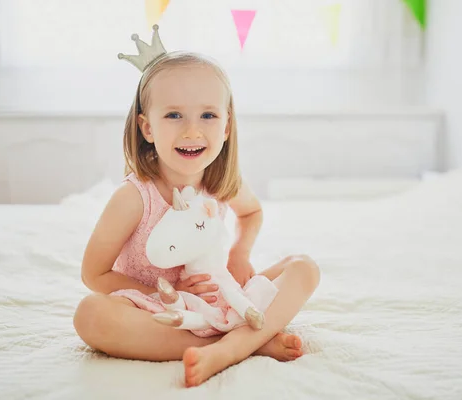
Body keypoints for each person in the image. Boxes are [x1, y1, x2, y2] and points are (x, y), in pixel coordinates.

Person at [73, 25, 320, 387]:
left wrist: (239, 252)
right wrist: (165, 294)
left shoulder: (218, 181)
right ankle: (243, 344)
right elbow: (94, 275)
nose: (192, 131)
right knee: (90, 315)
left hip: (219, 301)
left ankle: (231, 345)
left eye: (208, 115)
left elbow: (251, 213)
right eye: (174, 115)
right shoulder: (135, 196)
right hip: (161, 307)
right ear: (147, 127)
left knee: (304, 268)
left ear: (226, 126)